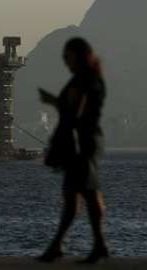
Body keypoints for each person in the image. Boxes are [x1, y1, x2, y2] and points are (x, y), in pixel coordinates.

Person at [38, 37, 109, 264]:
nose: (65, 62)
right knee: (82, 194)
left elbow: (75, 111)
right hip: (85, 140)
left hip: (80, 142)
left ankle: (65, 244)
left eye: (67, 57)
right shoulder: (92, 78)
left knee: (81, 194)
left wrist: (53, 101)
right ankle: (93, 244)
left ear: (77, 56)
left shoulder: (84, 80)